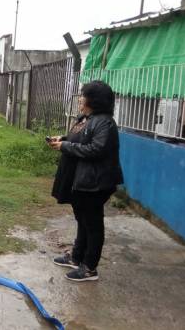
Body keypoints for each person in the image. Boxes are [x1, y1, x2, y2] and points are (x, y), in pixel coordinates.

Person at [48, 80, 123, 282]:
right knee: (82, 220)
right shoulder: (87, 118)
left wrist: (65, 147)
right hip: (82, 181)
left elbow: (95, 149)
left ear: (93, 100)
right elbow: (80, 139)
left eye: (83, 95)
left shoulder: (105, 123)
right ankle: (76, 257)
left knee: (92, 224)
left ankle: (89, 268)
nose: (80, 98)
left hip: (96, 183)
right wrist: (62, 138)